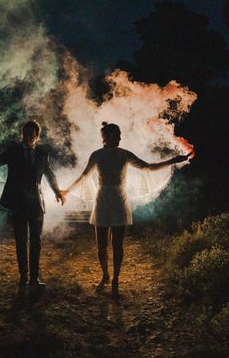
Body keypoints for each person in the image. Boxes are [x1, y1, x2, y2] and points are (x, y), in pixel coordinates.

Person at [61, 122, 192, 297]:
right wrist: (67, 191)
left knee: (117, 245)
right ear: (107, 138)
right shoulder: (97, 155)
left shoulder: (124, 154)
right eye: (117, 135)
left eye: (120, 135)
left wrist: (172, 161)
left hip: (119, 200)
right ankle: (105, 276)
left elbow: (148, 167)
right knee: (101, 246)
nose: (120, 138)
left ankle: (115, 279)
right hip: (102, 200)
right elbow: (85, 176)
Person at [0, 120, 65, 291]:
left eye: (32, 133)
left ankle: (34, 279)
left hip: (37, 205)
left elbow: (50, 175)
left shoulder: (43, 154)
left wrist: (57, 192)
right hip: (18, 204)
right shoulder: (13, 151)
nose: (29, 136)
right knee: (21, 241)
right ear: (22, 134)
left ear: (37, 136)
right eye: (26, 132)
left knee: (36, 242)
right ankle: (24, 277)